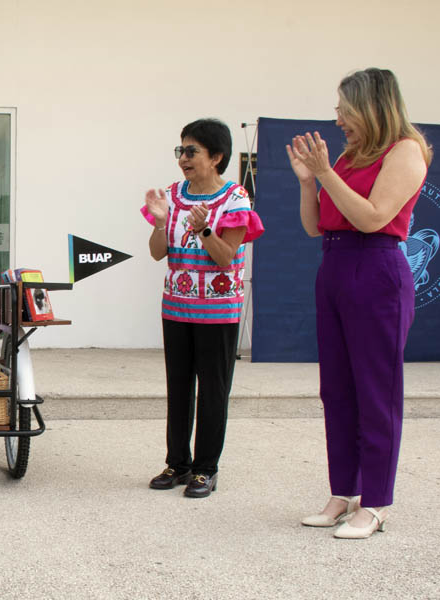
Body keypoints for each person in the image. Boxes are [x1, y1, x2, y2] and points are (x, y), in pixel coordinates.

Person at [287, 68, 431, 539]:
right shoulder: (351, 155)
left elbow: (373, 218)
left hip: (377, 271)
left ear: (370, 104)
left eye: (344, 108)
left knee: (376, 392)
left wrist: (327, 172)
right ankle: (343, 492)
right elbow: (315, 227)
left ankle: (377, 501)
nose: (338, 118)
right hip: (335, 268)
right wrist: (310, 182)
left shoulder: (406, 150)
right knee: (338, 391)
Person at [142, 118, 264, 498]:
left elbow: (227, 258)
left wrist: (204, 230)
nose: (183, 158)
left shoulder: (234, 198)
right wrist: (162, 223)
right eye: (181, 151)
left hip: (218, 312)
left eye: (192, 151)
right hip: (176, 307)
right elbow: (157, 252)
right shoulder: (172, 196)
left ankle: (205, 469)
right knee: (178, 388)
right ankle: (177, 463)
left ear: (216, 156)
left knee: (213, 390)